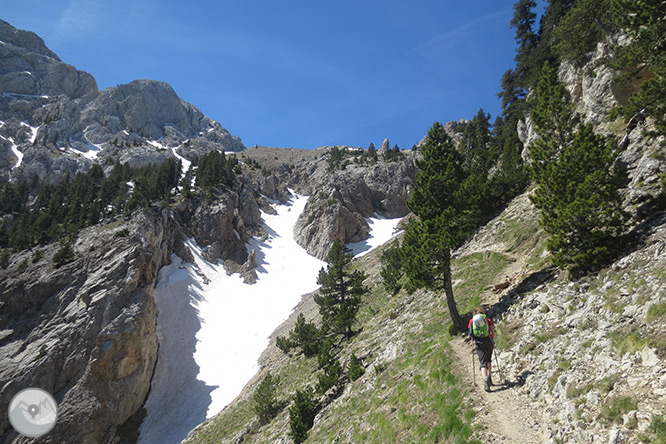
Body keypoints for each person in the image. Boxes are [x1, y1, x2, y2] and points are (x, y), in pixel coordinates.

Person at [468, 307, 496, 392]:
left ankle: (485, 379)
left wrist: (473, 342)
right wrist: (492, 340)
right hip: (488, 341)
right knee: (489, 359)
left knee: (483, 362)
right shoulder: (487, 319)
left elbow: (471, 333)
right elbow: (492, 332)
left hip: (478, 342)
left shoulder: (472, 321)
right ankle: (490, 376)